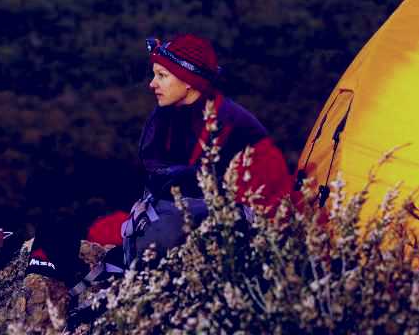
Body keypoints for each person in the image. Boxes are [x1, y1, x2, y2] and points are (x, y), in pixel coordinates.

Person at [23, 33, 294, 318]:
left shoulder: (232, 128)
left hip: (242, 231)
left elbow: (257, 207)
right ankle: (59, 270)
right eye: (155, 74)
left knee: (157, 234)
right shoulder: (172, 114)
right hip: (180, 214)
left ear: (189, 80)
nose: (152, 83)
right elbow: (166, 181)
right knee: (91, 222)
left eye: (162, 75)